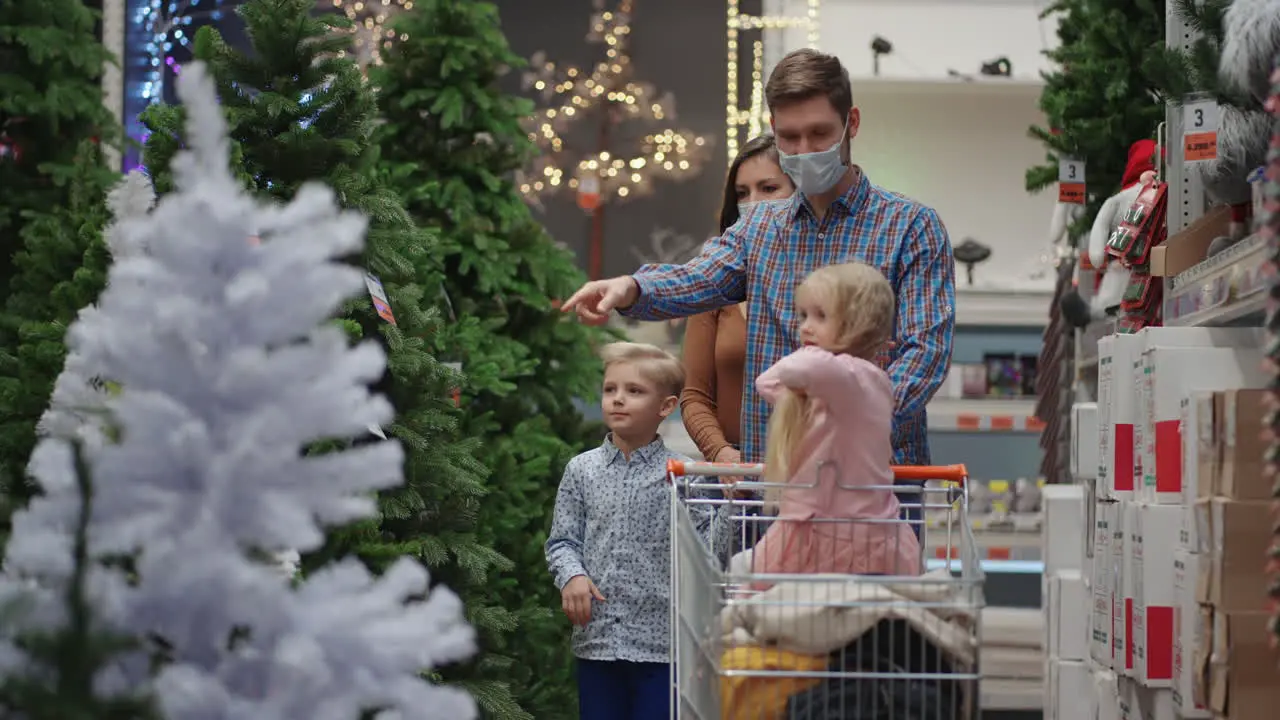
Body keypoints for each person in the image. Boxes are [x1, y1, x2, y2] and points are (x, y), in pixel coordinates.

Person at [562, 48, 956, 530]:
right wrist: (629, 286)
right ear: (773, 129)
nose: (806, 149)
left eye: (820, 134)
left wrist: (852, 420)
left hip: (873, 484)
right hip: (771, 486)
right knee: (765, 600)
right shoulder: (761, 228)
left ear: (851, 122)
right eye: (790, 138)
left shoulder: (911, 227)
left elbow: (926, 350)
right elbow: (701, 277)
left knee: (870, 605)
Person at [545, 342, 725, 720]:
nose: (618, 400)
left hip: (665, 648)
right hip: (597, 643)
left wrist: (732, 495)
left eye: (634, 391)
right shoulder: (581, 470)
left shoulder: (685, 475)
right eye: (610, 390)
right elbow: (562, 540)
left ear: (666, 406)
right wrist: (572, 576)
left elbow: (713, 550)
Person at [729, 263, 923, 590]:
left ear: (858, 323)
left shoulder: (848, 376)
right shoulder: (855, 381)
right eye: (803, 315)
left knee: (755, 595)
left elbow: (786, 374)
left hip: (833, 532)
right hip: (850, 529)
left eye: (820, 316)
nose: (805, 327)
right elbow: (768, 383)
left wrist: (808, 374)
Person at [680, 134, 795, 468]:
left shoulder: (821, 284)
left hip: (810, 474)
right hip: (735, 480)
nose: (754, 203)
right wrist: (721, 453)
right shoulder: (714, 281)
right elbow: (695, 395)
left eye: (769, 189)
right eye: (742, 194)